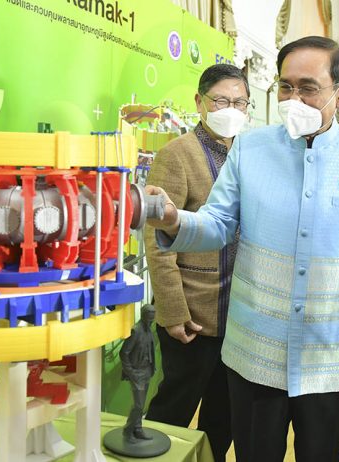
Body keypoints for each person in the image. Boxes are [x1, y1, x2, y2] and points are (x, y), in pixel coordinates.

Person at [146, 36, 339, 462]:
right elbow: (219, 223)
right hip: (254, 353)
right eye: (285, 86)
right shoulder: (251, 148)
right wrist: (176, 221)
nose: (293, 99)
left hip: (329, 359)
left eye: (308, 88)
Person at [145, 63, 250, 461]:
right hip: (193, 314)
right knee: (174, 407)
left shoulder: (248, 153)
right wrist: (173, 311)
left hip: (239, 315)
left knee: (224, 415)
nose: (231, 109)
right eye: (221, 100)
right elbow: (158, 239)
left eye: (240, 102)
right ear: (199, 102)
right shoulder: (177, 154)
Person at [120, 304, 156, 443]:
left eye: (152, 318)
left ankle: (138, 429)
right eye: (149, 318)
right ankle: (128, 430)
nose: (151, 321)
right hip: (137, 373)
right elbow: (124, 352)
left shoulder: (149, 330)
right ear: (143, 315)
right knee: (138, 405)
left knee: (141, 404)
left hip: (147, 371)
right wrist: (131, 372)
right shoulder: (135, 331)